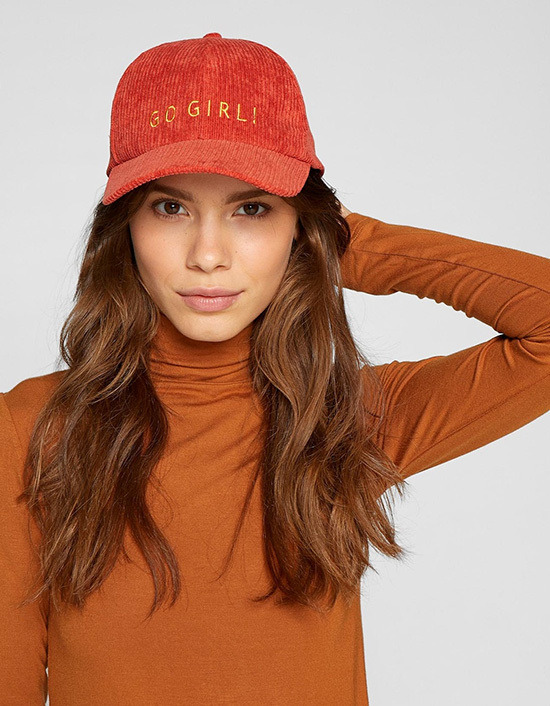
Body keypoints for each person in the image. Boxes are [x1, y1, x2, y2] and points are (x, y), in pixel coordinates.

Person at [1, 32, 549, 706]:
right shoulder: (28, 430)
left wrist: (343, 243)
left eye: (251, 208)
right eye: (170, 207)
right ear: (124, 228)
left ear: (300, 223)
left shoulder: (346, 420)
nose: (208, 255)